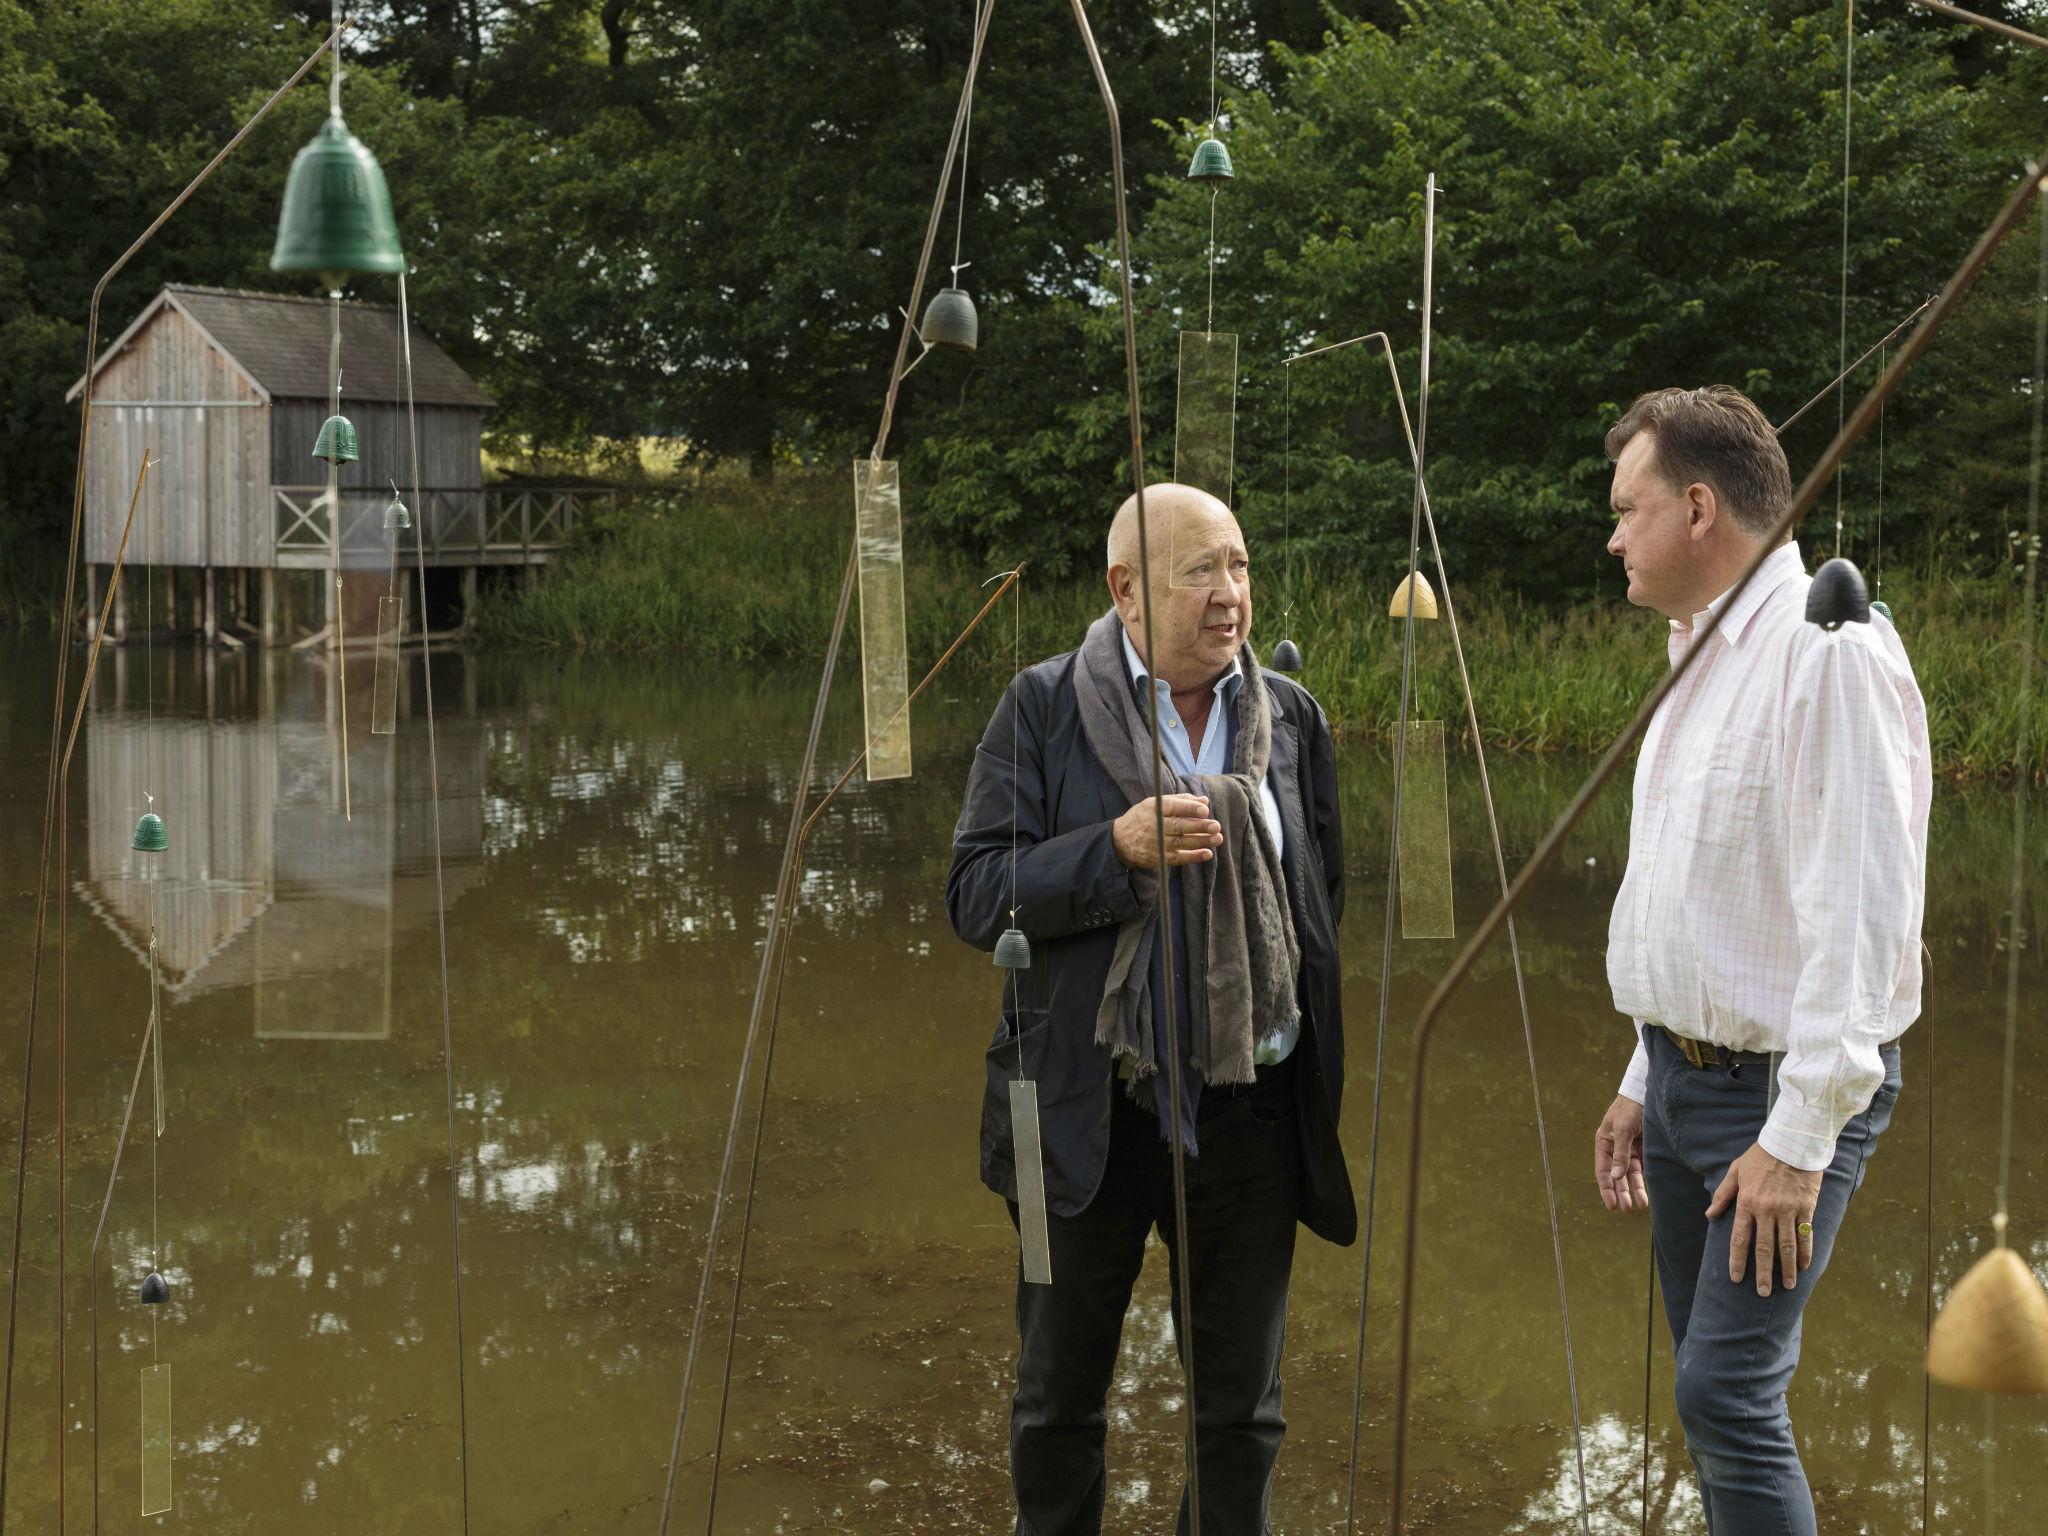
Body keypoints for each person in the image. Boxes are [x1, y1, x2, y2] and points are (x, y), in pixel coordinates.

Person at [946, 483, 1356, 1536]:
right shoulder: (1037, 707)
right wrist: (1111, 851)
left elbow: (1319, 904)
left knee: (1240, 1415)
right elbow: (973, 894)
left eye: (1241, 566)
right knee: (1052, 1397)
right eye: (1199, 572)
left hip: (1250, 1111)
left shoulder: (1292, 719)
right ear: (1124, 591)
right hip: (1070, 1104)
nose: (1230, 596)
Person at [1592, 386, 1931, 1534]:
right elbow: (1691, 896)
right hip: (1682, 1075)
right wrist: (1643, 1079)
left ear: (1695, 508)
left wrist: (1795, 1141)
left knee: (1724, 1394)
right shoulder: (1693, 655)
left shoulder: (1822, 649)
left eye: (1623, 510)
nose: (1610, 537)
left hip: (1780, 1094)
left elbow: (1863, 915)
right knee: (1708, 1388)